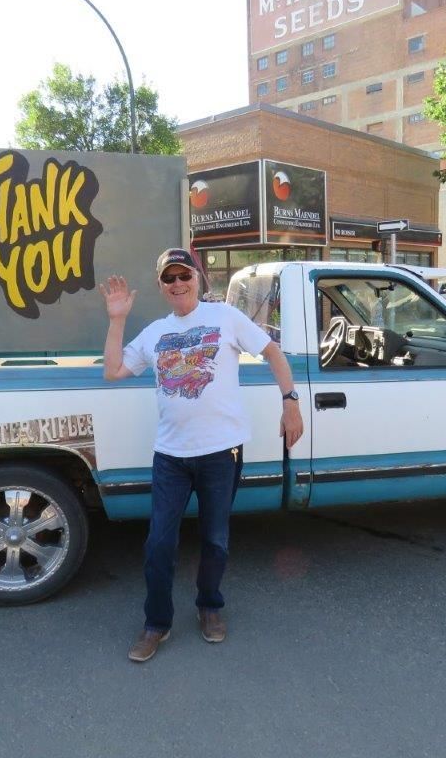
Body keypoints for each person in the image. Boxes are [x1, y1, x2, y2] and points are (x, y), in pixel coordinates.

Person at [99, 248, 303, 663]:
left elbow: (273, 353)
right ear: (162, 286)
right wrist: (117, 319)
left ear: (198, 277)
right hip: (171, 456)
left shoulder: (225, 317)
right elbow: (114, 370)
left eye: (184, 275)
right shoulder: (156, 331)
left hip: (220, 453)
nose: (177, 283)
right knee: (158, 543)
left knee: (215, 539)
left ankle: (210, 606)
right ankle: (157, 623)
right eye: (169, 278)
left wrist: (290, 401)